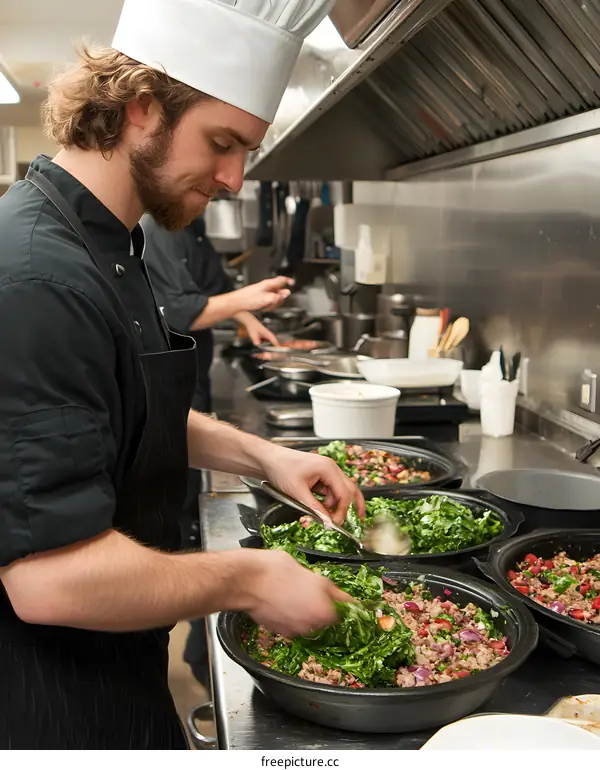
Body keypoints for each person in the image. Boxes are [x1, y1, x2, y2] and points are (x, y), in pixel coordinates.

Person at [0, 0, 360, 750]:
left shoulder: (107, 242)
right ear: (140, 107)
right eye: (222, 143)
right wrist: (250, 578)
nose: (232, 178)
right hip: (52, 707)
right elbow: (47, 580)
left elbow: (119, 408)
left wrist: (264, 456)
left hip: (117, 668)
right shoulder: (41, 278)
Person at [141, 212, 290, 688]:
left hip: (193, 384)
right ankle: (198, 649)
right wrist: (247, 299)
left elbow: (212, 288)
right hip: (176, 393)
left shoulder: (192, 226)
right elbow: (182, 310)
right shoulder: (158, 226)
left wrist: (246, 316)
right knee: (180, 514)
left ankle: (195, 644)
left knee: (187, 514)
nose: (228, 182)